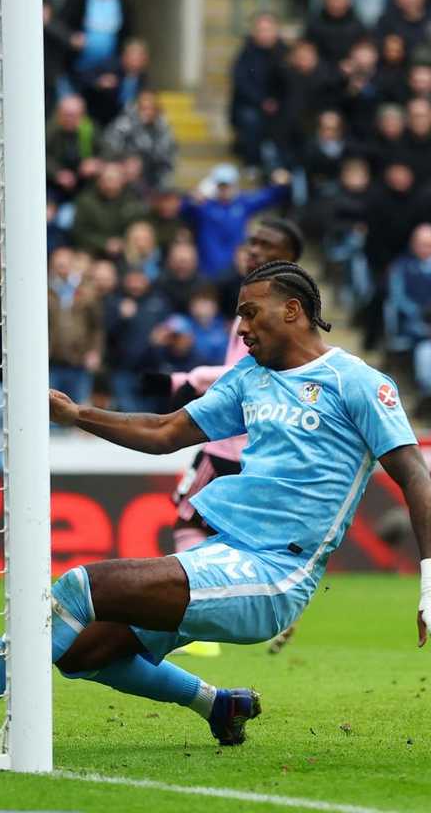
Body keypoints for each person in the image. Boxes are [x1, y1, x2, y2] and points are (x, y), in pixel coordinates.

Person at [0, 261, 431, 754]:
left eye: (250, 314)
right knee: (81, 652)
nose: (241, 328)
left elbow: (414, 477)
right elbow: (163, 433)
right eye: (237, 316)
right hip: (224, 554)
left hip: (277, 574)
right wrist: (76, 415)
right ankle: (216, 703)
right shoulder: (249, 381)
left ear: (294, 309)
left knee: (77, 588)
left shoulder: (359, 383)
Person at [156, 217, 305, 657]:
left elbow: (251, 372)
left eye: (266, 244)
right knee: (248, 536)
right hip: (263, 443)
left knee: (188, 520)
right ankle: (276, 603)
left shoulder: (275, 310)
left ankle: (197, 624)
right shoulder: (270, 302)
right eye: (251, 242)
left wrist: (195, 377)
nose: (253, 249)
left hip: (231, 440)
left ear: (289, 256)